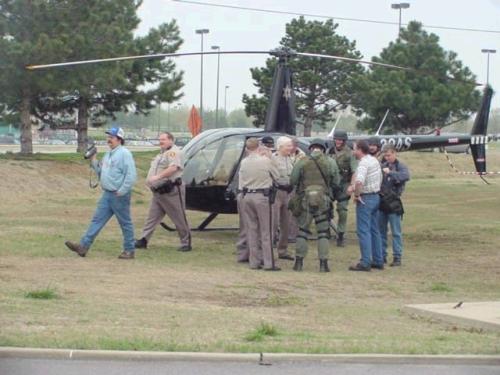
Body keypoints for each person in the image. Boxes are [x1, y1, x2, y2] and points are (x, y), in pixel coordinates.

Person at [65, 127, 137, 259]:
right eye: (108, 136)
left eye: (112, 137)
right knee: (97, 220)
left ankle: (129, 250)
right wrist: (93, 160)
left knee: (125, 223)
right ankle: (83, 246)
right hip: (107, 194)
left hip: (118, 195)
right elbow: (101, 172)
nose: (108, 139)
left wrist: (122, 191)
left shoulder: (125, 154)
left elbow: (131, 176)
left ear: (119, 139)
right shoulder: (108, 154)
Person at [289, 139, 340, 273]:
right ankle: (323, 265)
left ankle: (298, 263)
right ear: (323, 149)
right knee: (323, 233)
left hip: (305, 199)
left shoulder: (302, 161)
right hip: (323, 200)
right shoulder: (330, 162)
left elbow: (293, 180)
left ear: (311, 148)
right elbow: (336, 182)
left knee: (302, 231)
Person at [135, 132, 191, 252]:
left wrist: (157, 177)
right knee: (152, 216)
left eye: (164, 139)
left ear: (171, 140)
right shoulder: (162, 153)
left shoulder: (173, 152)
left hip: (171, 190)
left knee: (179, 217)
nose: (161, 141)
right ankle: (144, 239)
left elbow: (174, 168)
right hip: (159, 191)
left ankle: (186, 242)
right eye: (160, 139)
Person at [238, 137, 280, 271]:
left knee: (251, 229)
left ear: (247, 148)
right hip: (262, 196)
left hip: (247, 195)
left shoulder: (244, 162)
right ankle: (268, 262)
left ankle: (254, 261)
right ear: (259, 147)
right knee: (266, 230)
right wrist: (270, 157)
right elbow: (277, 175)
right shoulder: (265, 161)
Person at [348, 140, 383, 271]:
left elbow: (359, 181)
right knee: (374, 230)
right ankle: (378, 260)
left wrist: (356, 195)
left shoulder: (363, 163)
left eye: (354, 149)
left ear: (360, 150)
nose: (353, 151)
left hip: (366, 198)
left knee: (363, 230)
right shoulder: (373, 160)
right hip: (376, 196)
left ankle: (365, 262)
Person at [379, 145, 410, 266]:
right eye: (385, 156)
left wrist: (391, 173)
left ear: (394, 154)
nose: (387, 158)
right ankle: (382, 255)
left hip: (394, 201)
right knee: (381, 230)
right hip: (382, 201)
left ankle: (397, 256)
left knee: (396, 231)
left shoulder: (400, 166)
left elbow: (406, 176)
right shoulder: (381, 166)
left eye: (389, 155)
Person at [330, 129, 357, 247]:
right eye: (336, 139)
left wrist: (352, 185)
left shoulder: (350, 153)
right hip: (330, 184)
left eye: (340, 140)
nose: (338, 141)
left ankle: (340, 234)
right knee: (325, 208)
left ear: (344, 141)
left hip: (343, 184)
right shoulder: (329, 151)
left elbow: (354, 170)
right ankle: (325, 230)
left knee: (342, 210)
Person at [271, 136, 295, 260]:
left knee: (287, 223)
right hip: (277, 193)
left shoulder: (291, 159)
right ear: (280, 147)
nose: (291, 148)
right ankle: (268, 250)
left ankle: (283, 250)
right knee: (273, 223)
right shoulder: (273, 159)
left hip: (288, 193)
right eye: (288, 146)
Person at [287, 137, 306, 243]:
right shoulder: (283, 154)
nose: (292, 147)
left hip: (296, 185)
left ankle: (292, 234)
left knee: (294, 210)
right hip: (284, 185)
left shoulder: (302, 155)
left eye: (294, 145)